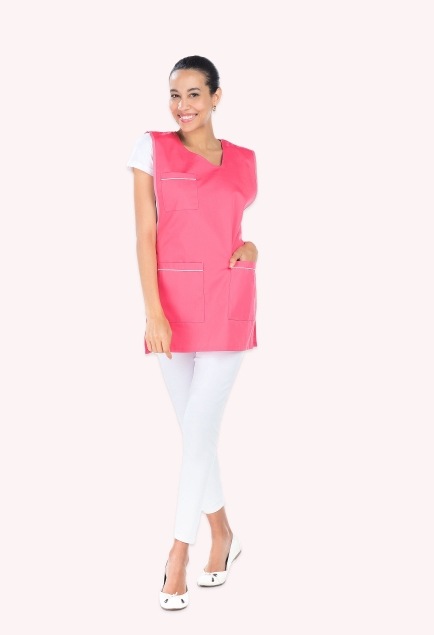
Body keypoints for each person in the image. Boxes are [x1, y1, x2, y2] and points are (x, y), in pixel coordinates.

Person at [127, 55, 259, 610]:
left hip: (228, 303)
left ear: (216, 97)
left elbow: (233, 229)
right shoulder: (151, 148)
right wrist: (153, 313)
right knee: (195, 435)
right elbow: (145, 233)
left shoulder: (246, 160)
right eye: (175, 95)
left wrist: (252, 248)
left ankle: (178, 553)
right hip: (172, 311)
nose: (182, 106)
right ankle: (223, 533)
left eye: (194, 95)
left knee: (199, 434)